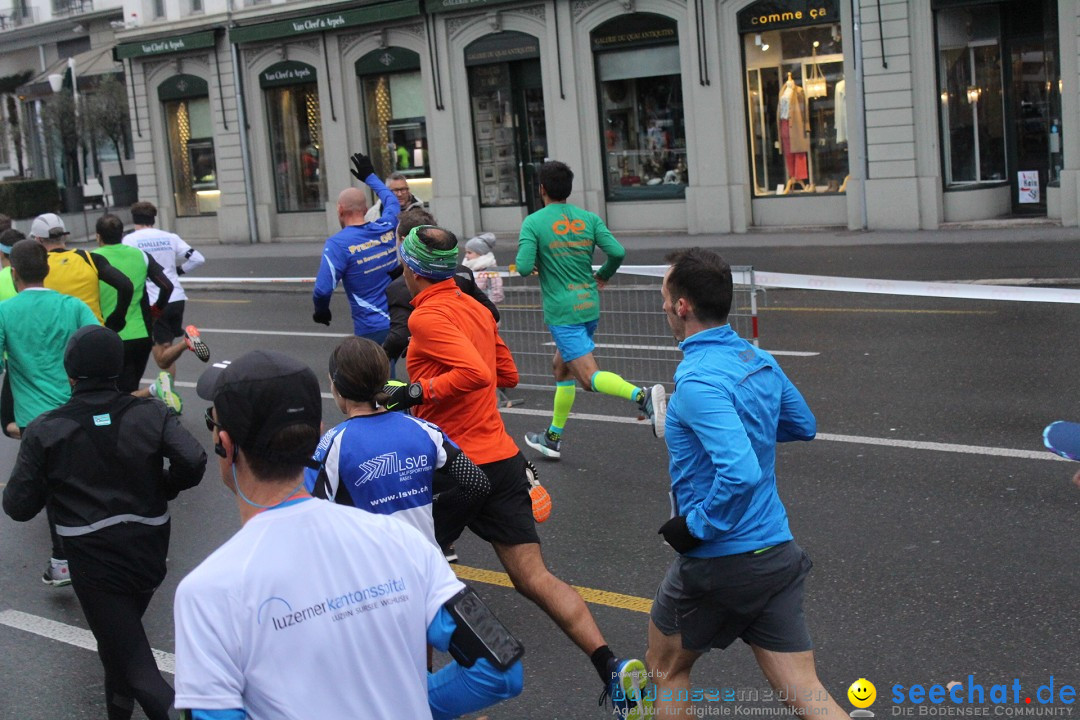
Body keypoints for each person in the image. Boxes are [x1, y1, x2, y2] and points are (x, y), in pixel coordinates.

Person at [385, 224, 651, 718]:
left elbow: (477, 375)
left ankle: (412, 700)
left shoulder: (428, 318)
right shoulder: (475, 308)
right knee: (535, 577)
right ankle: (612, 668)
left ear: (412, 269)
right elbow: (506, 374)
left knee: (412, 579)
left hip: (451, 466)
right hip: (502, 460)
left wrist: (416, 392)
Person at [176, 349, 522, 719]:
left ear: (225, 445)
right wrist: (408, 702)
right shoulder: (406, 544)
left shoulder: (206, 593)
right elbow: (500, 666)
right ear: (317, 437)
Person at [646, 248, 845, 719]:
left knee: (664, 670)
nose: (661, 305)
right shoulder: (758, 359)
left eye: (663, 296)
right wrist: (743, 425)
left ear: (682, 306)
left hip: (720, 562)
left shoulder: (696, 382)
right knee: (807, 691)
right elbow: (802, 424)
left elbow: (739, 472)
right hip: (776, 554)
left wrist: (696, 526)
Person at [3, 325, 206, 720]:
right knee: (117, 646)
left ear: (70, 374)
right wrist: (165, 486)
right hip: (150, 549)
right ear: (118, 368)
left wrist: (53, 479)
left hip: (95, 559)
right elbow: (193, 460)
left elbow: (18, 506)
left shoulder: (47, 428)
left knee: (136, 665)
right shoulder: (151, 411)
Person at [515, 160, 665, 461]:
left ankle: (643, 396)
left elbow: (521, 266)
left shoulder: (534, 222)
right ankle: (553, 437)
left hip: (562, 312)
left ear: (541, 189)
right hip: (588, 304)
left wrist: (536, 264)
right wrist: (604, 275)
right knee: (560, 366)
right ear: (568, 189)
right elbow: (617, 252)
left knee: (587, 378)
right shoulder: (588, 218)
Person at [305, 335, 490, 547]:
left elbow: (311, 514)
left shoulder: (332, 444)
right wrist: (435, 525)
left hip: (372, 571)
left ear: (337, 388)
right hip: (428, 566)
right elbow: (477, 483)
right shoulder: (425, 430)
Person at [0, 239, 101, 582]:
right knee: (84, 481)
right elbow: (102, 345)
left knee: (54, 489)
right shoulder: (72, 306)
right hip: (77, 411)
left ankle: (63, 561)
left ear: (13, 273)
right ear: (46, 270)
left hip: (35, 421)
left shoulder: (5, 312)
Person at [384, 209, 501, 373]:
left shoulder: (403, 291)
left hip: (440, 378)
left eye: (396, 238)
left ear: (406, 241)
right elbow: (491, 314)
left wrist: (415, 391)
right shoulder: (463, 273)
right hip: (477, 370)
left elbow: (399, 337)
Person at [123, 200, 210, 413]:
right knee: (166, 349)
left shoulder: (130, 240)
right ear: (154, 218)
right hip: (176, 296)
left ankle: (187, 342)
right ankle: (170, 396)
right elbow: (198, 259)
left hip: (155, 302)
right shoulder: (170, 237)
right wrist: (177, 272)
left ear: (135, 220)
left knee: (161, 359)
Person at [312, 152, 401, 343]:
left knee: (378, 373)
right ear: (366, 208)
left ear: (340, 209)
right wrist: (370, 177)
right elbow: (392, 201)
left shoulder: (338, 244)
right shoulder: (386, 227)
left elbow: (322, 290)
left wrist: (321, 311)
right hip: (400, 321)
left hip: (372, 327)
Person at [92, 214, 175, 400]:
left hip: (108, 336)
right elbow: (167, 286)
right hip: (141, 335)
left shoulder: (92, 259)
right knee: (129, 389)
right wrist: (156, 310)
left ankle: (153, 392)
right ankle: (151, 396)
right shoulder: (141, 255)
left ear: (98, 236)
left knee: (113, 393)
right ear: (122, 234)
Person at [30, 212, 133, 334]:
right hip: (94, 334)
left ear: (38, 239)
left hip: (58, 339)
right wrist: (118, 317)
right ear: (65, 236)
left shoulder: (36, 266)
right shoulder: (89, 258)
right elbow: (126, 285)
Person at [463, 233, 504, 304]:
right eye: (466, 252)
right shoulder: (468, 267)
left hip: (483, 308)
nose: (466, 256)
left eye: (469, 253)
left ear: (480, 253)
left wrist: (488, 305)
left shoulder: (490, 269)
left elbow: (497, 290)